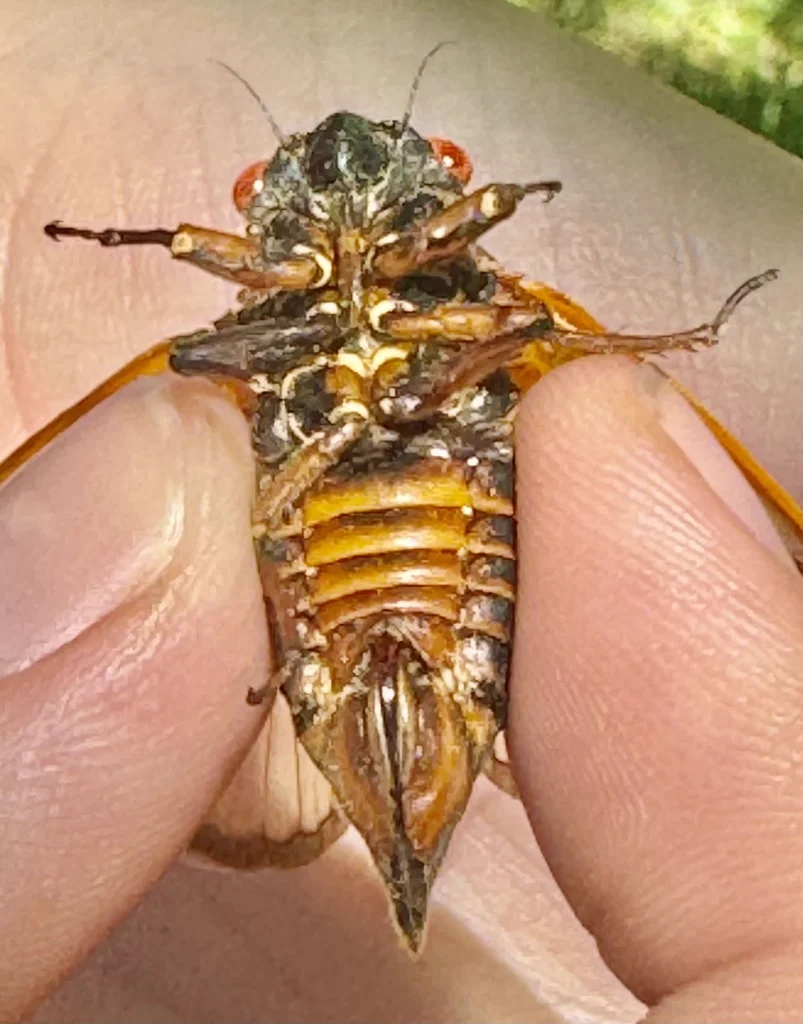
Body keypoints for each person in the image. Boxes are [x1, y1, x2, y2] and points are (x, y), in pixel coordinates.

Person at [1, 0, 800, 1020]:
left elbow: (545, 339)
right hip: (337, 550)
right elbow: (193, 370)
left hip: (429, 533)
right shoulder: (259, 333)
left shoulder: (494, 309)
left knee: (545, 340)